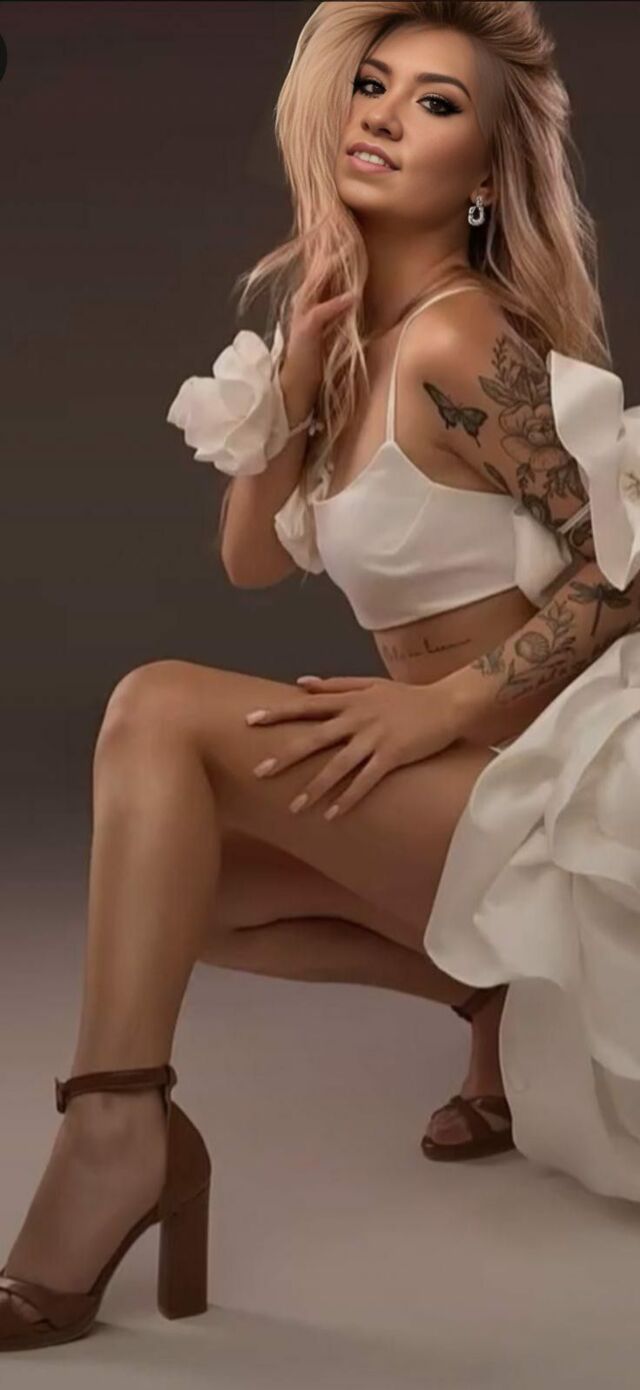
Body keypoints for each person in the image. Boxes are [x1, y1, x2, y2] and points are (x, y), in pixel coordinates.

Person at [3, 0, 640, 1353]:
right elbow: (250, 559)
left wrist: (439, 706)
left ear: (486, 173)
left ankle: (115, 1131)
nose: (385, 115)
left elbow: (625, 573)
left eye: (435, 103)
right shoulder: (353, 338)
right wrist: (297, 376)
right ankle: (494, 1004)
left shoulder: (464, 341)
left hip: (551, 787)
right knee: (178, 883)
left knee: (153, 712)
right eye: (373, 84)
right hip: (461, 786)